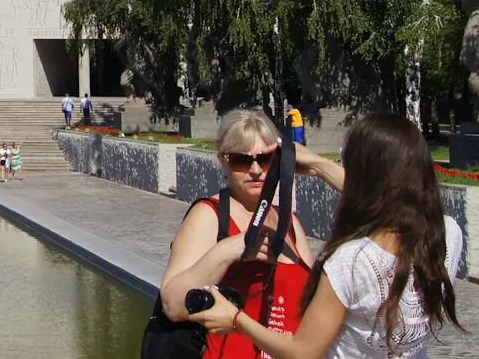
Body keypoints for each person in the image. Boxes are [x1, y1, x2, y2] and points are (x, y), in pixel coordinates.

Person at [189, 113, 463, 359]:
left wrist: (237, 320)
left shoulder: (351, 262)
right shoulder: (447, 234)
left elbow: (302, 352)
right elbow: (393, 204)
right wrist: (319, 165)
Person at [158, 109, 340, 358]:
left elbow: (391, 213)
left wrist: (320, 165)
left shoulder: (289, 222)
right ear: (223, 160)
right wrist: (229, 250)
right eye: (241, 160)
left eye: (265, 159)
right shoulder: (210, 215)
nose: (255, 170)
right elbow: (173, 304)